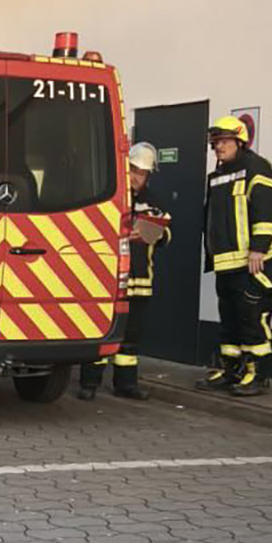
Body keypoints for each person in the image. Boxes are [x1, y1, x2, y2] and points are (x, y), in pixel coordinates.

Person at [203, 115, 272, 396]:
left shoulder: (257, 168)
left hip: (255, 259)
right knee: (229, 315)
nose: (218, 147)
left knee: (252, 315)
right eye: (215, 142)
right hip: (228, 260)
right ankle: (231, 368)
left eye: (224, 141)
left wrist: (259, 248)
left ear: (240, 141)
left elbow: (267, 210)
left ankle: (257, 373)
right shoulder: (218, 175)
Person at [82, 141, 168, 399]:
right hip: (109, 280)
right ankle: (89, 384)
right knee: (100, 331)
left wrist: (151, 232)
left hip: (140, 281)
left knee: (130, 341)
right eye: (133, 171)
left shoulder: (154, 202)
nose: (136, 177)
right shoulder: (112, 197)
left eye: (142, 173)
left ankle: (126, 385)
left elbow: (166, 236)